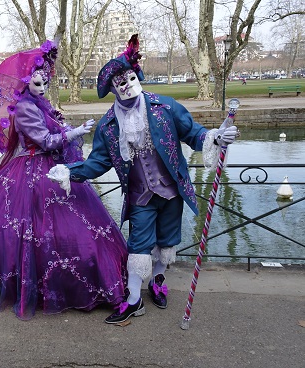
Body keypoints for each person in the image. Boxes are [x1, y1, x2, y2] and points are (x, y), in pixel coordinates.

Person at [48, 34, 238, 324]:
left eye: (129, 77)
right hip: (139, 196)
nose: (126, 84)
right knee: (139, 244)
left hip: (172, 191)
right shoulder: (109, 126)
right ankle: (134, 299)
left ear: (136, 75)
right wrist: (69, 171)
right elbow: (97, 163)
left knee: (167, 240)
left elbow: (194, 133)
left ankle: (158, 280)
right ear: (113, 88)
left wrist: (216, 136)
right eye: (119, 82)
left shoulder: (165, 107)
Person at [0, 40, 128, 320]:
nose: (42, 88)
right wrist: (72, 133)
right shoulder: (25, 108)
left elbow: (51, 129)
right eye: (37, 84)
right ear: (26, 83)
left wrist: (60, 121)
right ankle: (30, 282)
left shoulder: (40, 103)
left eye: (45, 83)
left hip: (51, 168)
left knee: (71, 224)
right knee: (30, 227)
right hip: (33, 169)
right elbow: (46, 142)